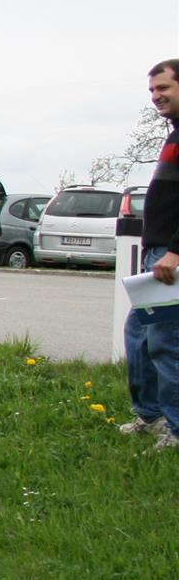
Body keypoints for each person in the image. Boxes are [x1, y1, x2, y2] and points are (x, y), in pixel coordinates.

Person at [122, 58, 179, 449]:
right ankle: (151, 415)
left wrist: (174, 253)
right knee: (139, 335)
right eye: (152, 91)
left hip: (170, 257)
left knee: (166, 343)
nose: (156, 96)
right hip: (157, 253)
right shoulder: (174, 134)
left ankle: (176, 429)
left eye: (164, 88)